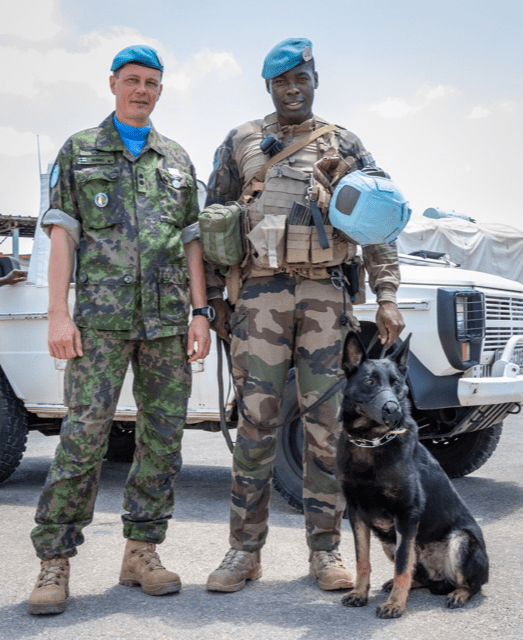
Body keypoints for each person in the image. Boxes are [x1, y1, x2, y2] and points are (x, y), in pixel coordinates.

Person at [204, 38, 405, 593]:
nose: (292, 90)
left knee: (327, 427)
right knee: (256, 424)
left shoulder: (345, 142)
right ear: (268, 87)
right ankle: (243, 552)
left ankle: (325, 550)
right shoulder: (240, 141)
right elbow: (212, 219)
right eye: (282, 82)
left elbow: (378, 219)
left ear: (315, 81)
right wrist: (215, 297)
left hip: (324, 297)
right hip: (258, 298)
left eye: (301, 79)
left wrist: (387, 294)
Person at [28, 45, 212, 615]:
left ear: (160, 90)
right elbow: (63, 236)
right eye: (132, 80)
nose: (141, 91)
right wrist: (58, 313)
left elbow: (192, 243)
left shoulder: (176, 159)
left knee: (163, 439)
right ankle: (54, 561)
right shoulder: (81, 150)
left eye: (151, 83)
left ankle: (142, 552)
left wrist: (200, 312)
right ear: (113, 83)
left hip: (165, 323)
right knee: (83, 439)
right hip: (100, 325)